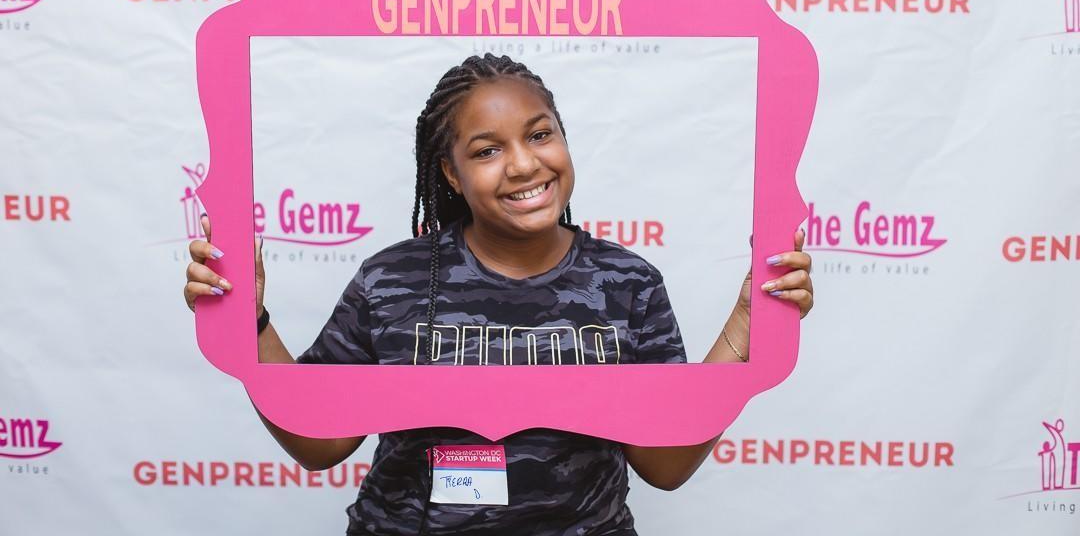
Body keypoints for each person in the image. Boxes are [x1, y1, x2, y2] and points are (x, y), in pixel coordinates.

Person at [183, 53, 815, 535]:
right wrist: (247, 321)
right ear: (451, 173)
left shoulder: (629, 283)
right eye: (488, 150)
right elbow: (318, 444)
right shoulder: (391, 279)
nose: (523, 165)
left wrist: (747, 322)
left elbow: (666, 465)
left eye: (539, 135)